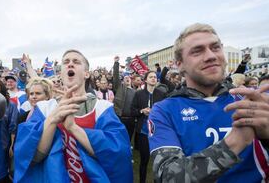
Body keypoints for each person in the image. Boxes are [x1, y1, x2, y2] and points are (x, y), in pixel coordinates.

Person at [149, 23, 269, 182]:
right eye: (197, 51)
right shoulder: (164, 110)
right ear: (180, 64)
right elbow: (168, 176)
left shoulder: (251, 102)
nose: (211, 55)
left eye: (215, 47)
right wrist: (234, 142)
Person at [14, 49, 133, 183]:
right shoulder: (44, 108)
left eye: (76, 62)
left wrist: (72, 127)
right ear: (61, 73)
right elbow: (31, 157)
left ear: (86, 73)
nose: (70, 64)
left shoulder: (102, 108)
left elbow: (117, 154)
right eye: (66, 62)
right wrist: (53, 120)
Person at [131, 71, 167, 183]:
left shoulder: (161, 94)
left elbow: (165, 111)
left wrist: (155, 113)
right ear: (145, 80)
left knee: (158, 160)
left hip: (158, 132)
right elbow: (132, 111)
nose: (153, 79)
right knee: (144, 159)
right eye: (151, 77)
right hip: (143, 131)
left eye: (155, 77)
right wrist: (142, 111)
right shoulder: (138, 94)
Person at [0, 78, 19, 173]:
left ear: (1, 88)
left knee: (1, 171)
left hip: (3, 145)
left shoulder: (10, 105)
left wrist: (12, 146)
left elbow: (13, 127)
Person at [112, 56, 136, 141]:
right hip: (120, 117)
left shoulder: (135, 91)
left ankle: (128, 149)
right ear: (122, 80)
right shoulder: (119, 88)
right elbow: (115, 77)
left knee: (129, 138)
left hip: (131, 119)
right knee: (119, 138)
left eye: (128, 78)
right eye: (125, 77)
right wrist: (116, 63)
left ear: (131, 80)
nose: (127, 78)